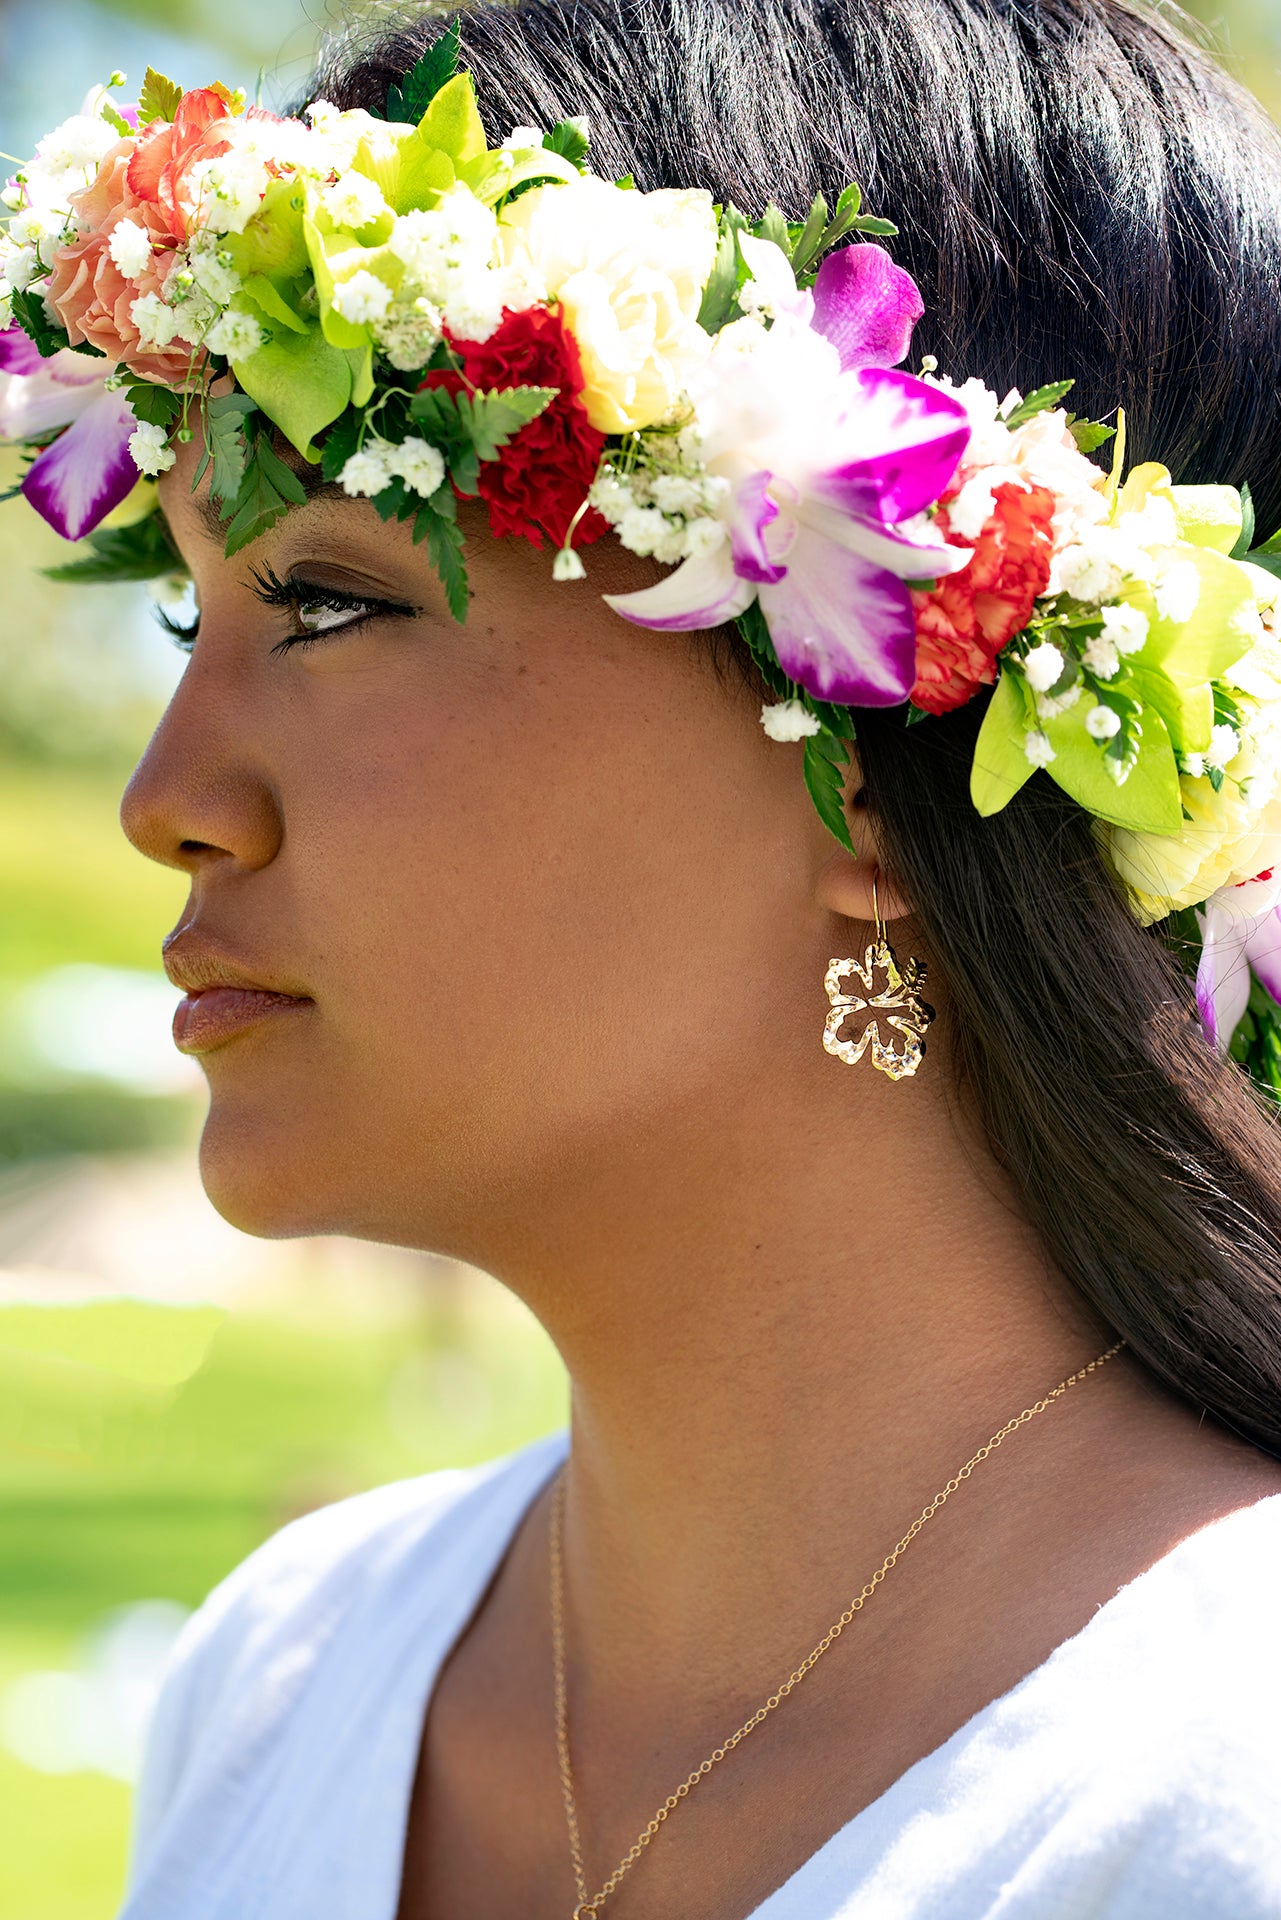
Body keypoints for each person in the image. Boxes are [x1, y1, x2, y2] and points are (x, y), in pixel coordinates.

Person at [10, 0, 1281, 1914]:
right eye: (193, 615)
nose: (169, 799)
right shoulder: (286, 1675)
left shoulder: (1218, 1800)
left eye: (335, 599)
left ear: (875, 734)